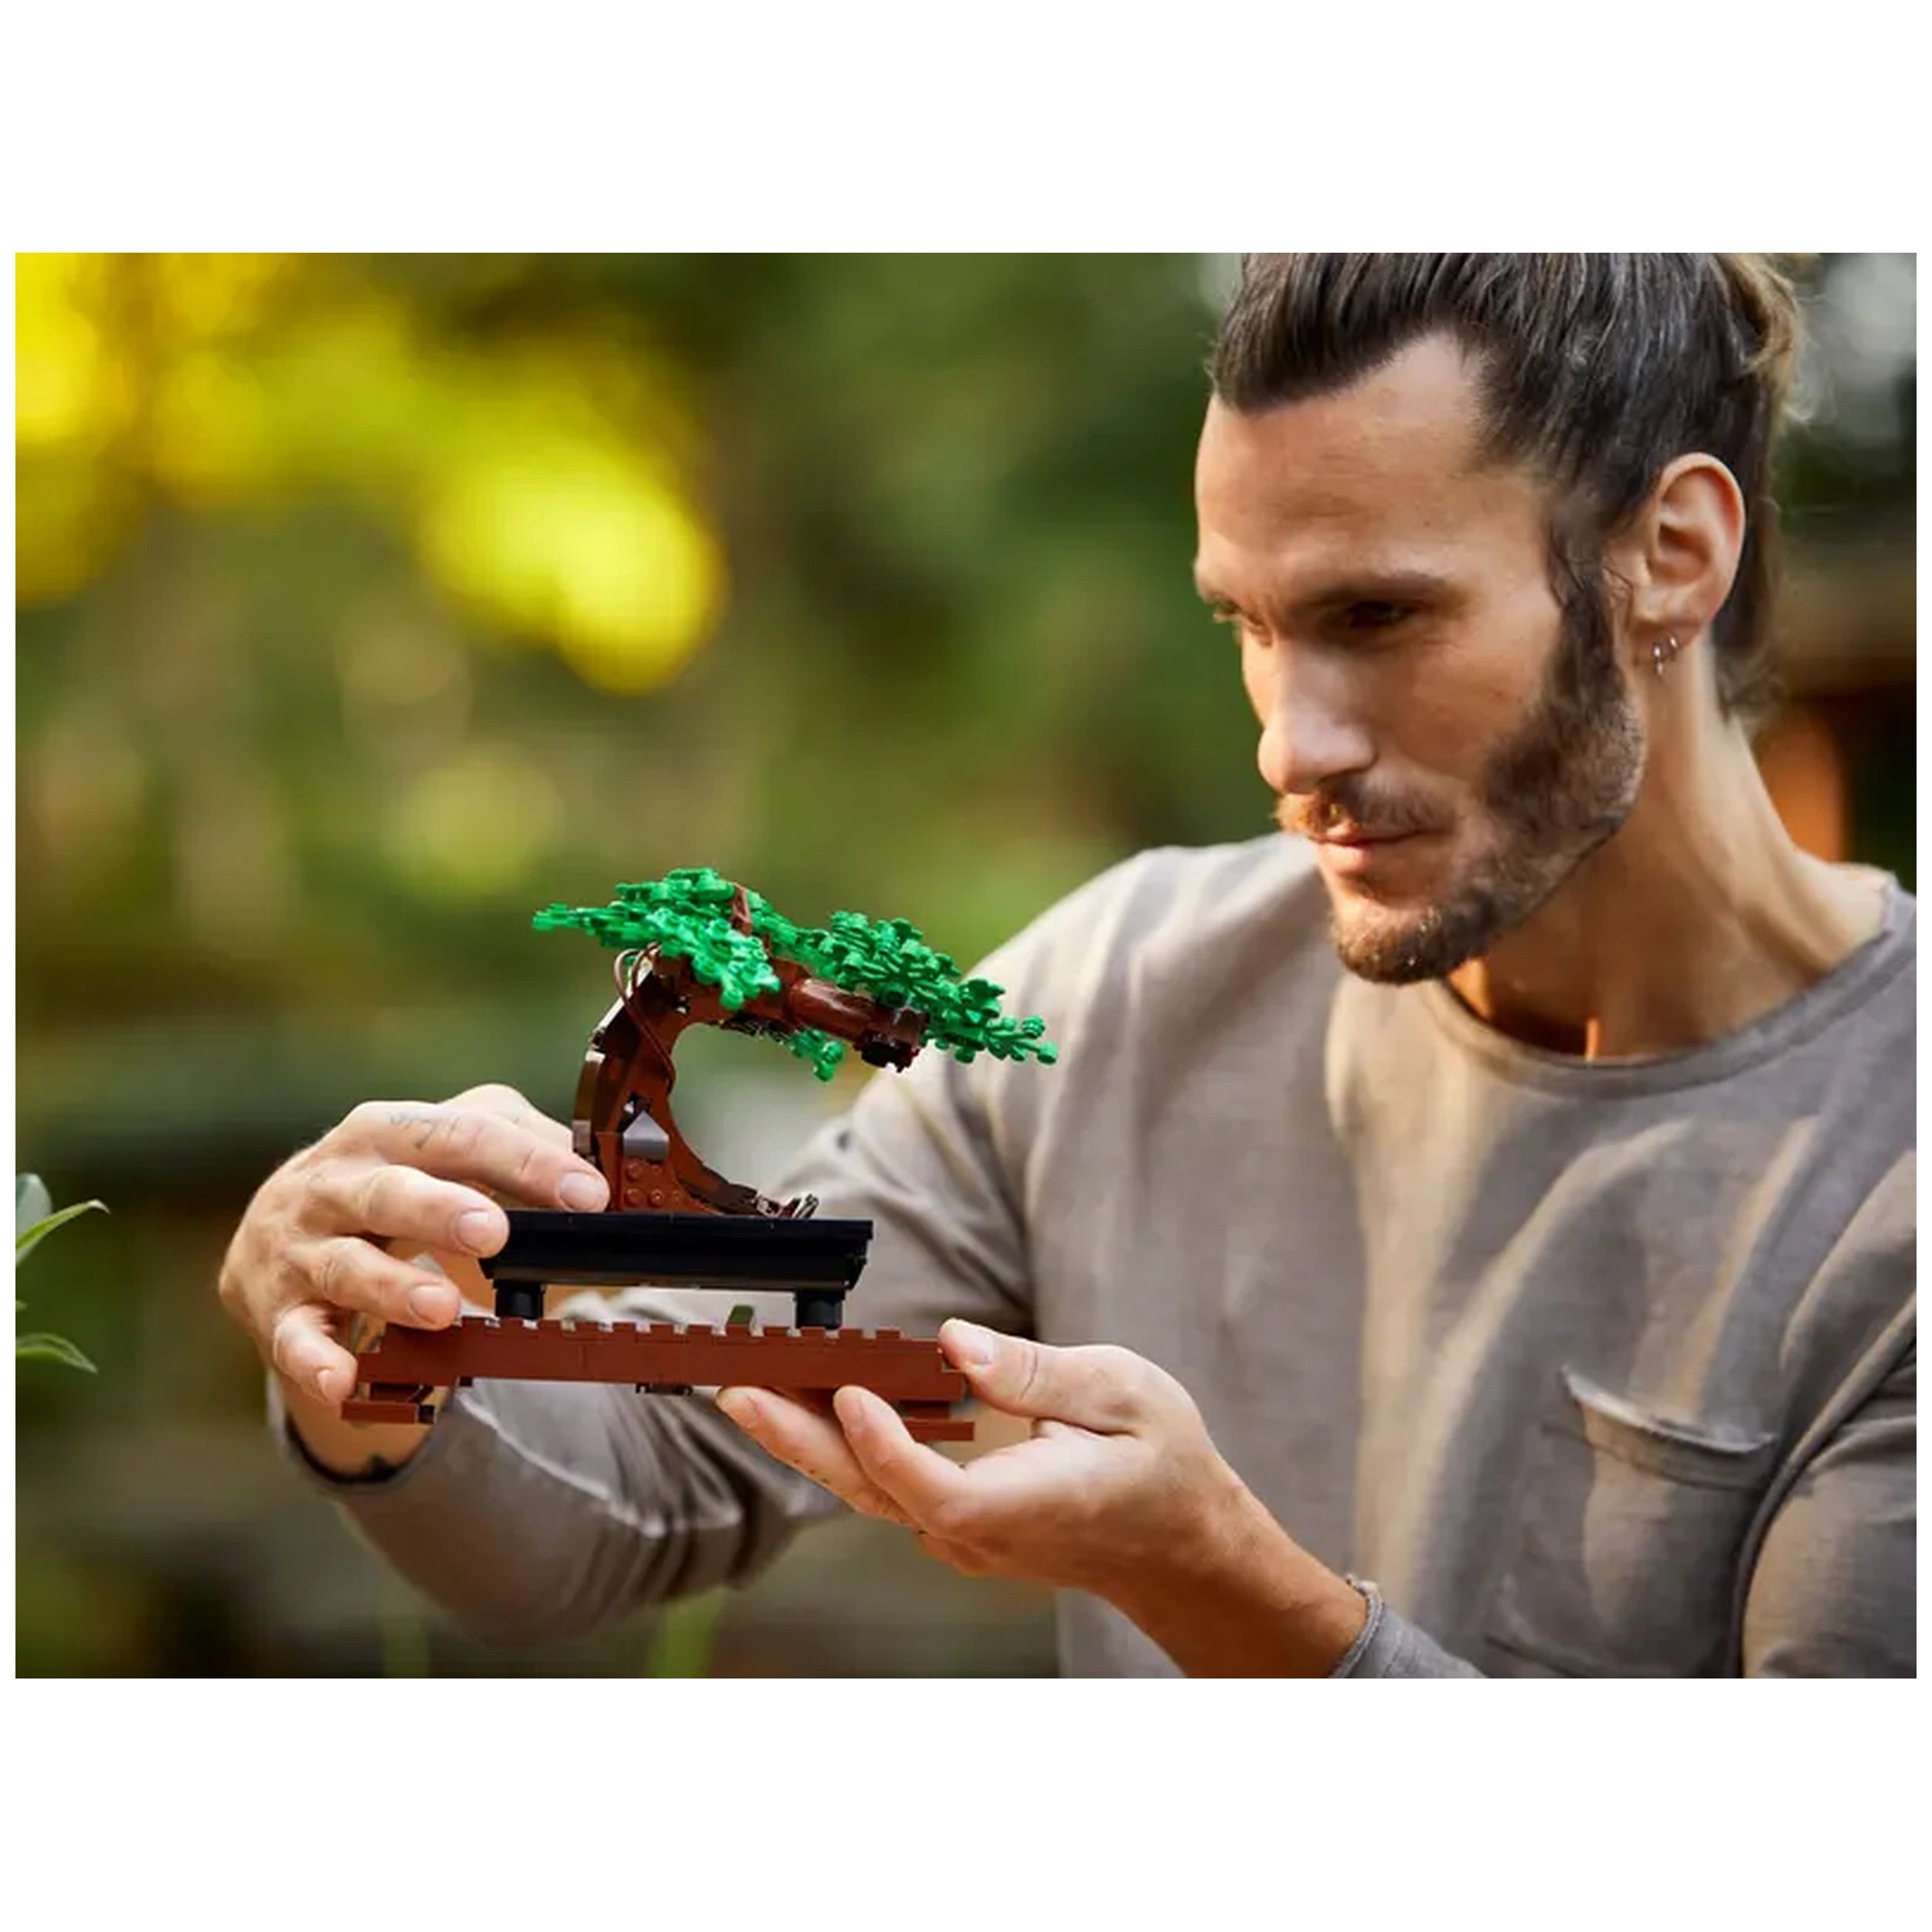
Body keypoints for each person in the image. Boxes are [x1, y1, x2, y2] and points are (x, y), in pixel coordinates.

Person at [219, 254, 1915, 1676]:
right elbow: (644, 1476)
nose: (1287, 740)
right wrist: (379, 1363)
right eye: (1245, 625)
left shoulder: (1884, 1171)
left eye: (1374, 617)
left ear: (1668, 555)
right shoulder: (1114, 994)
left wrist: (1235, 1598)